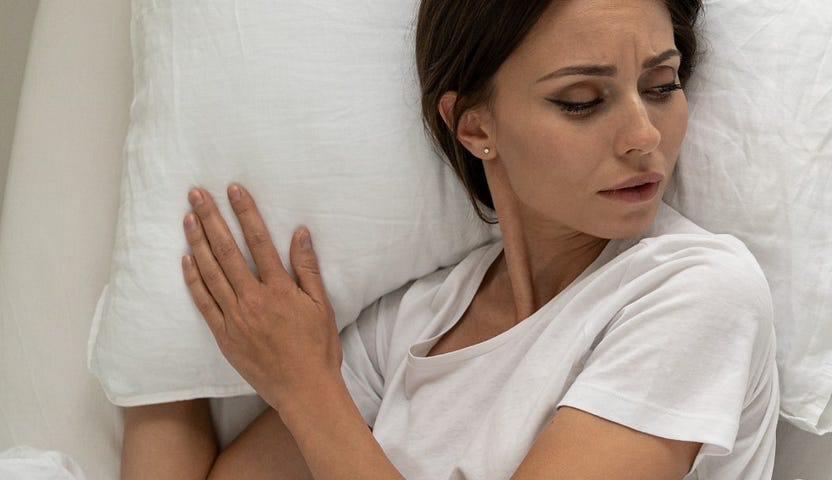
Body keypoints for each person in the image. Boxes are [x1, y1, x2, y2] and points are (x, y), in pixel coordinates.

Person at [119, 0, 781, 478]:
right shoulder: (410, 324)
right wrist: (161, 323)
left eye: (662, 86)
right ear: (473, 128)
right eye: (582, 100)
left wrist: (303, 389)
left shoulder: (697, 292)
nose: (645, 136)